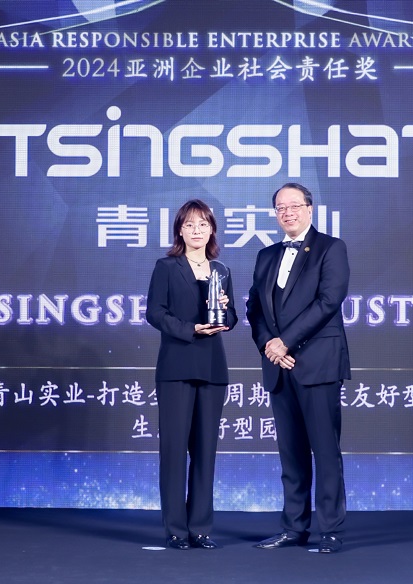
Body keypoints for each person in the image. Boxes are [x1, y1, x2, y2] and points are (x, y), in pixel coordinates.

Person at [246, 183, 351, 554]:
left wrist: (285, 342)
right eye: (280, 207)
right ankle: (293, 527)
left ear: (310, 208)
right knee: (290, 454)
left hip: (317, 364)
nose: (287, 212)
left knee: (325, 451)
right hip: (279, 367)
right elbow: (254, 309)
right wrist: (269, 346)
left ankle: (331, 530)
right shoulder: (266, 255)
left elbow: (328, 301)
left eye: (294, 205)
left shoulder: (330, 248)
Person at [146, 199, 238, 550]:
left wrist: (225, 313)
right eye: (189, 225)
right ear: (179, 231)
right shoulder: (167, 267)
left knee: (205, 451)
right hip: (176, 366)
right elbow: (155, 312)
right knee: (173, 450)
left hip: (212, 367)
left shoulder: (222, 270)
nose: (196, 230)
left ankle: (200, 528)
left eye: (203, 224)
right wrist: (190, 329)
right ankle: (175, 529)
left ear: (212, 229)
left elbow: (232, 317)